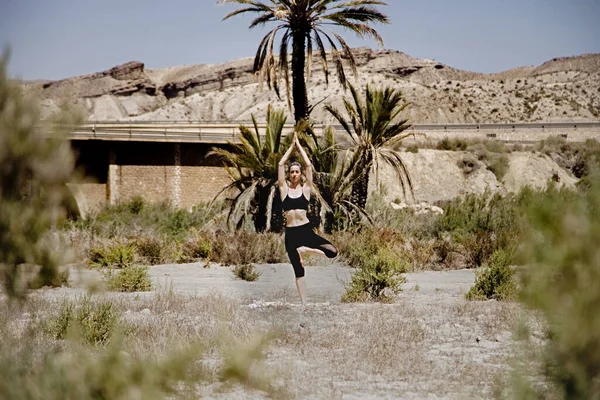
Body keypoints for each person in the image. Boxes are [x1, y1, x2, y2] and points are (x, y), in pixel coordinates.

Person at [278, 133, 338, 307]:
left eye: (297, 171)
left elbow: (309, 165)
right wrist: (291, 147)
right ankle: (304, 304)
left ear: (300, 174)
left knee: (333, 252)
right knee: (298, 271)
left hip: (305, 231)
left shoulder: (306, 190)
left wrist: (300, 147)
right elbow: (281, 164)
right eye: (292, 172)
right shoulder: (283, 189)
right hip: (291, 234)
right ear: (289, 175)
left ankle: (304, 250)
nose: (294, 174)